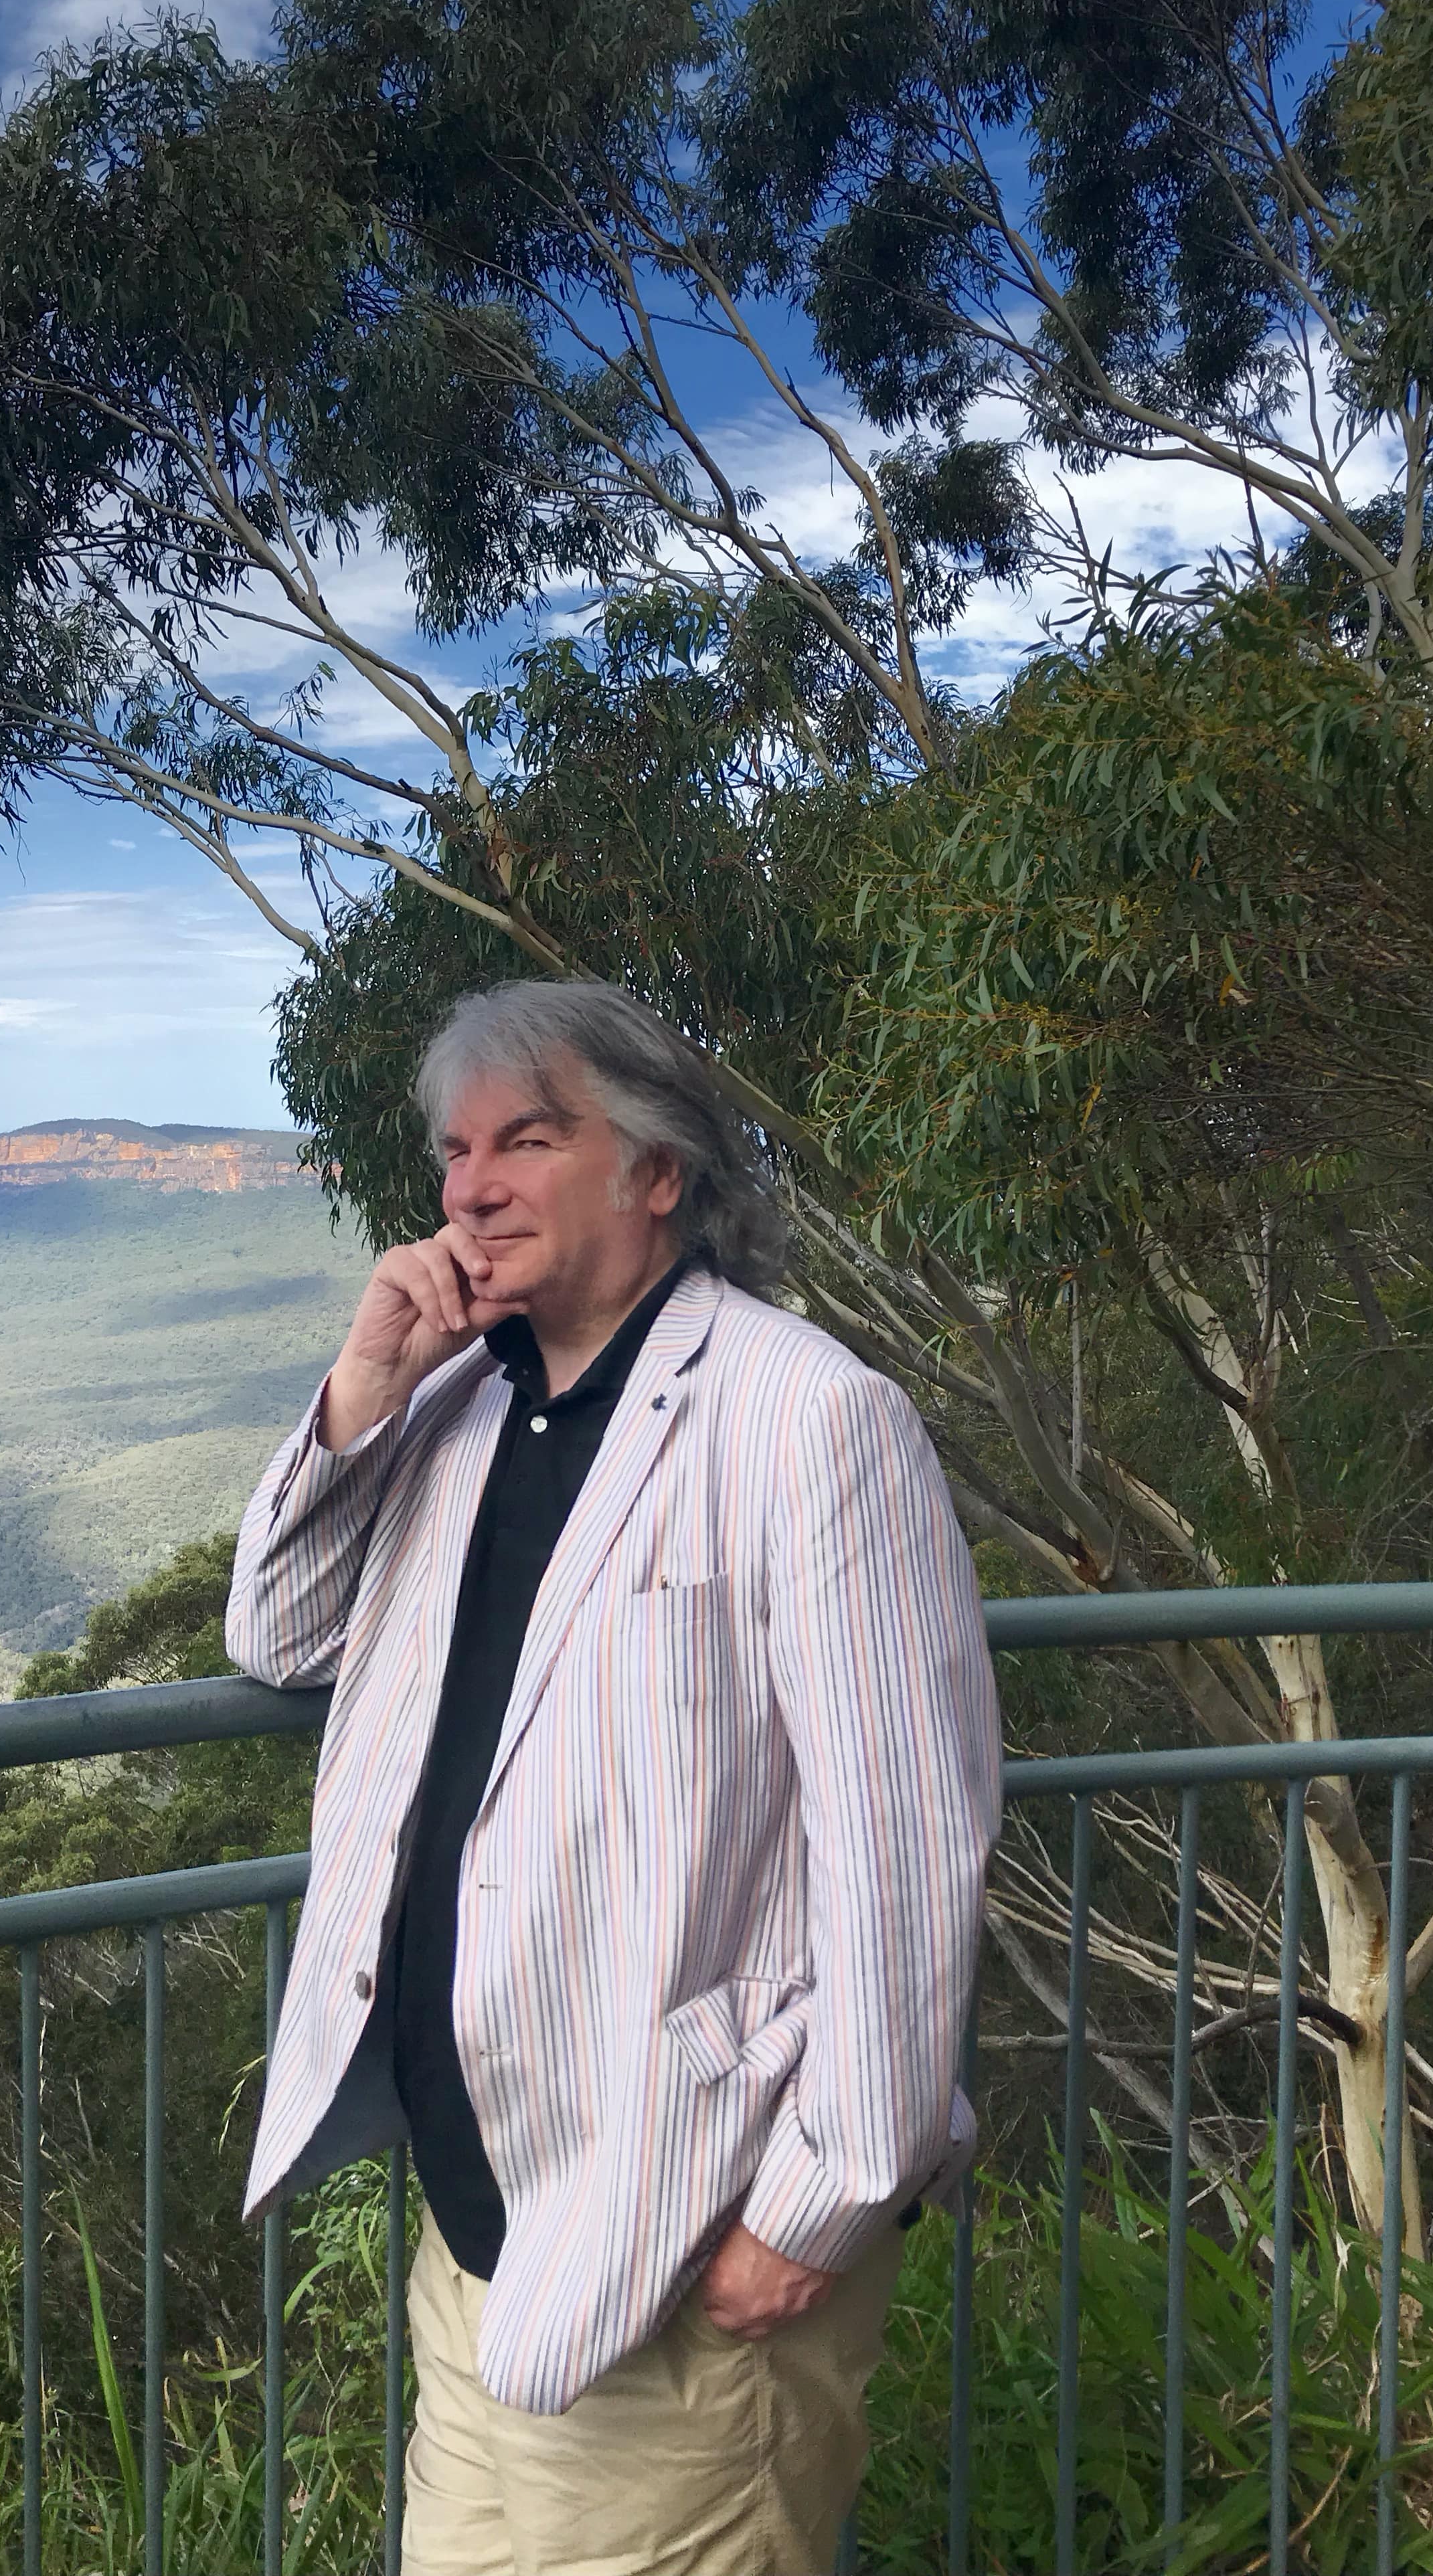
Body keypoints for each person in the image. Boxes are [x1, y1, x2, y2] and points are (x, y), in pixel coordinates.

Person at [225, 978, 1000, 2572]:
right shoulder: (451, 1403)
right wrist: (365, 1385)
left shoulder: (808, 1418)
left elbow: (908, 1844)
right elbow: (278, 1634)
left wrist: (818, 2202)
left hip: (689, 2226)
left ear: (656, 1171)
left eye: (527, 1136)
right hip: (486, 2228)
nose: (471, 1185)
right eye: (453, 1150)